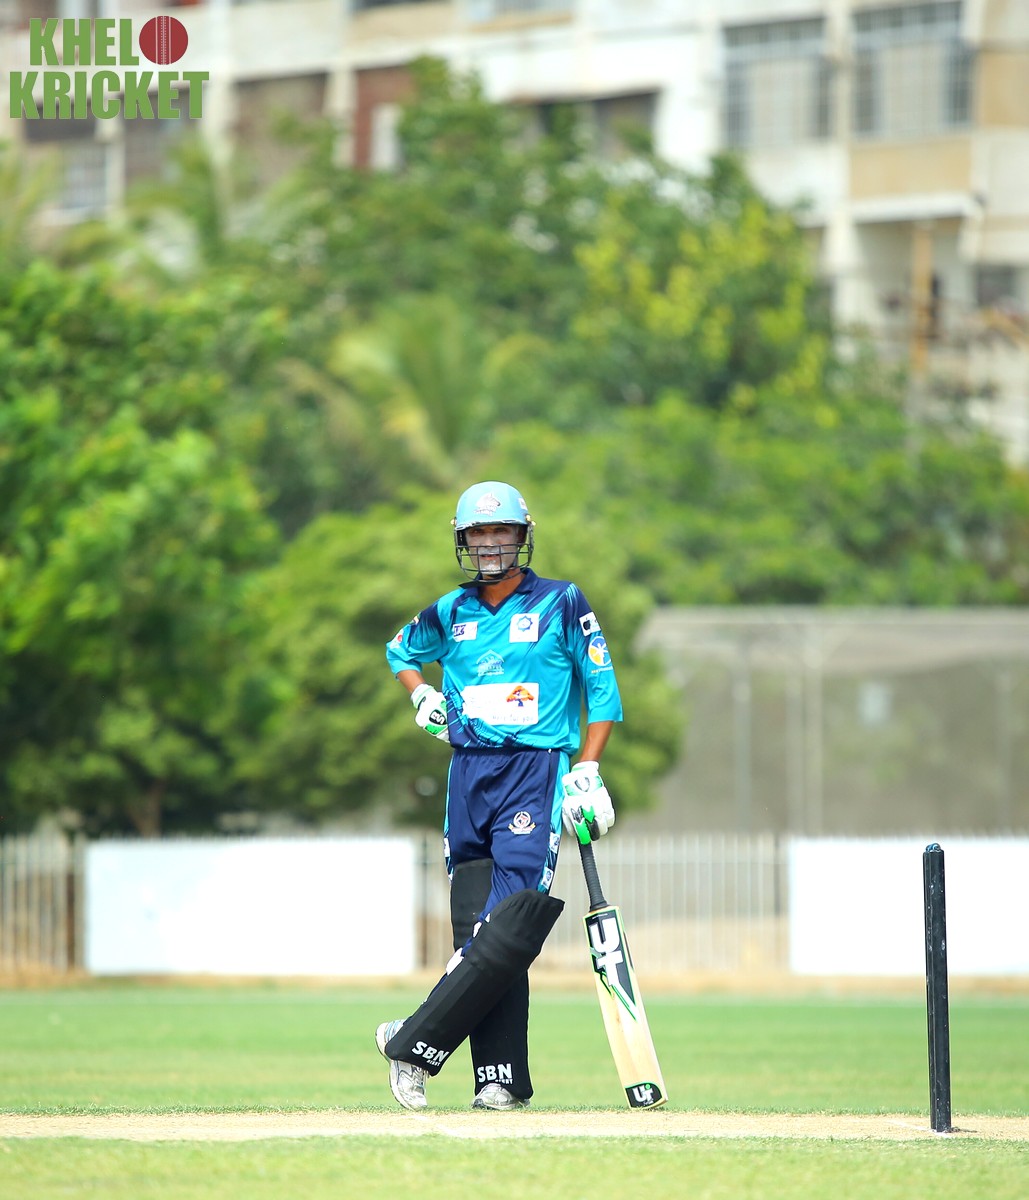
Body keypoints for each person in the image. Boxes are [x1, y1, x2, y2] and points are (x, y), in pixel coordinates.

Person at [377, 480, 622, 1111]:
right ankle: (501, 1078)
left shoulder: (562, 601)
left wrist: (586, 768)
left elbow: (602, 687)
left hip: (533, 772)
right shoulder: (449, 610)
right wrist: (420, 693)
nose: (490, 543)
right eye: (478, 533)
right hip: (466, 775)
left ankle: (413, 1042)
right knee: (476, 934)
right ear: (465, 541)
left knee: (509, 924)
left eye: (501, 531)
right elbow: (400, 650)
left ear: (521, 535)